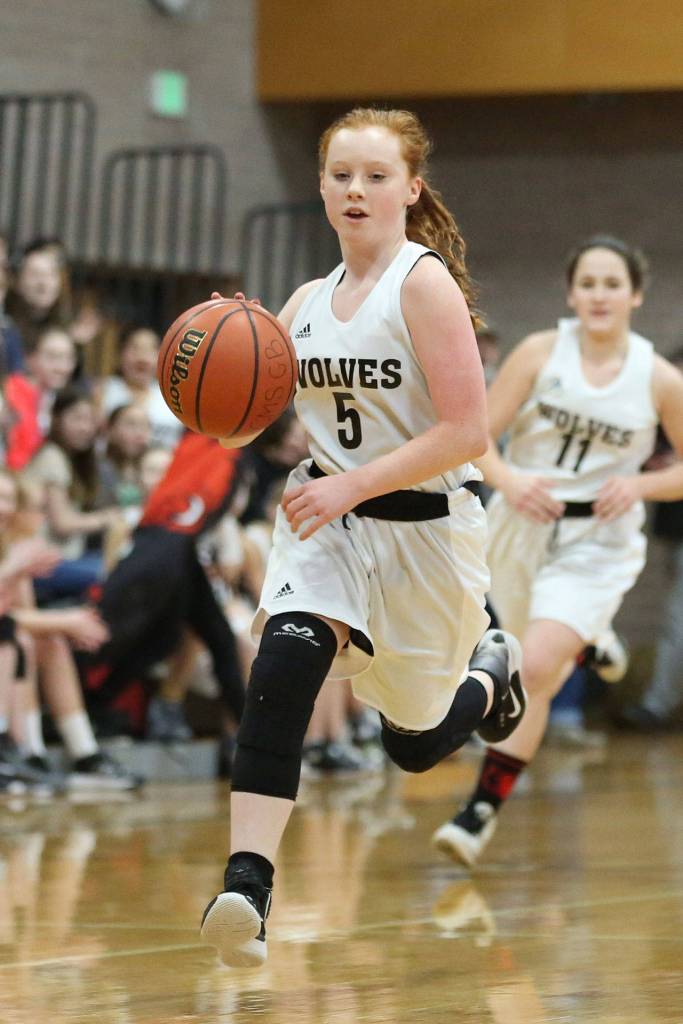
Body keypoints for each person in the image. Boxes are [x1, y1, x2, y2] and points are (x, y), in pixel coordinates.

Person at [199, 106, 526, 969]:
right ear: (319, 185)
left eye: (376, 176)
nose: (356, 189)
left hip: (425, 536)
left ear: (409, 189)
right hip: (330, 523)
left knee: (411, 745)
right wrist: (223, 376)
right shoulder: (304, 303)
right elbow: (257, 419)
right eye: (340, 174)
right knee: (284, 661)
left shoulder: (423, 286)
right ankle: (247, 886)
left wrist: (353, 480)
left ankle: (489, 678)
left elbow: (467, 431)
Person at [432, 235, 683, 867]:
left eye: (612, 284)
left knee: (535, 668)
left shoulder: (658, 377)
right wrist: (512, 479)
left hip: (598, 541)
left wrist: (642, 484)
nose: (600, 295)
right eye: (589, 283)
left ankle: (479, 809)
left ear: (636, 295)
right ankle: (591, 641)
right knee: (529, 661)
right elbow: (475, 436)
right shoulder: (542, 352)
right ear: (572, 293)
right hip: (519, 524)